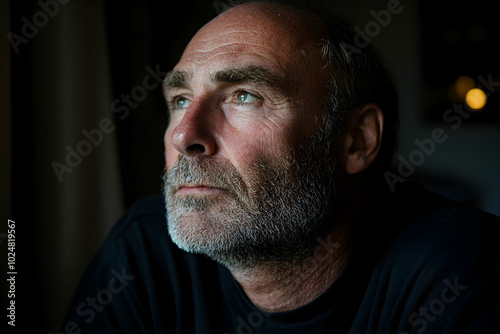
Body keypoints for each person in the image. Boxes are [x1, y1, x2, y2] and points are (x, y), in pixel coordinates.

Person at [63, 1, 500, 333]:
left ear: (357, 140)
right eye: (179, 101)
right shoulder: (144, 252)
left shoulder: (463, 276)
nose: (183, 135)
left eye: (244, 95)